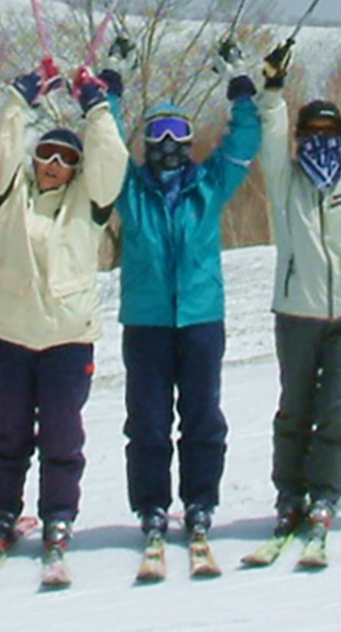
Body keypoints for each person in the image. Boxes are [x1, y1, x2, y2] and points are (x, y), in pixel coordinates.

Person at [0, 60, 128, 569]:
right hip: (15, 335)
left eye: (66, 158)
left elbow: (112, 159)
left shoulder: (89, 201)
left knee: (63, 432)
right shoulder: (11, 194)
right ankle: (2, 511)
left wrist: (96, 107)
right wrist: (21, 103)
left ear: (76, 168)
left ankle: (59, 512)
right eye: (45, 153)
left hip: (68, 337)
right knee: (9, 432)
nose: (52, 164)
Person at [112, 42, 260, 549]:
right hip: (148, 321)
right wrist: (113, 85)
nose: (170, 142)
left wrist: (239, 85)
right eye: (158, 131)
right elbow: (105, 145)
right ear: (146, 140)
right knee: (149, 422)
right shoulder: (130, 190)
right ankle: (152, 505)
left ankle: (200, 501)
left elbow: (245, 142)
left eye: (179, 132)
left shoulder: (208, 185)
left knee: (202, 416)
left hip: (199, 318)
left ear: (193, 140)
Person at [255, 39, 341, 555]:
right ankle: (289, 495)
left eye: (329, 132)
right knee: (295, 409)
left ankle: (324, 497)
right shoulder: (286, 181)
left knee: (337, 413)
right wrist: (272, 89)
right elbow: (269, 139)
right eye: (310, 132)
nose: (319, 140)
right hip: (297, 313)